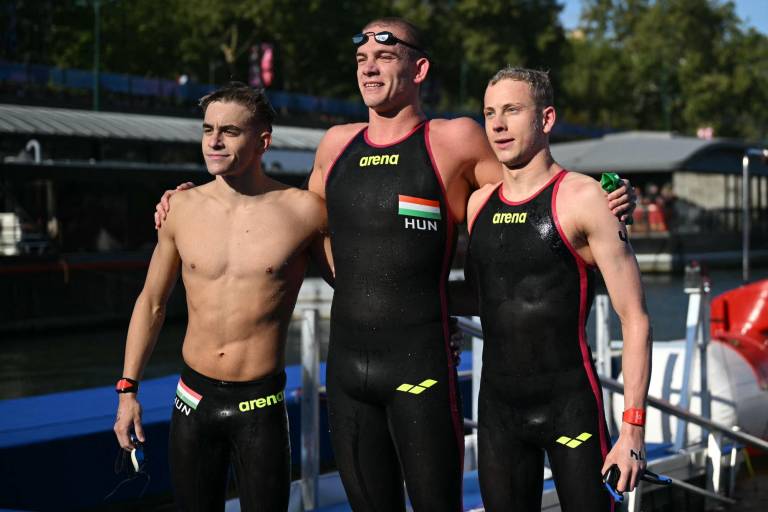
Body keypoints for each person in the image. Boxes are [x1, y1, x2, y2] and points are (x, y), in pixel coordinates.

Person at [155, 19, 635, 511]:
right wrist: (197, 199)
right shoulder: (336, 144)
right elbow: (288, 221)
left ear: (419, 68)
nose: (369, 66)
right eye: (361, 58)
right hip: (347, 371)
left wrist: (610, 198)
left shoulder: (454, 141)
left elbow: (532, 196)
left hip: (420, 365)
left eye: (384, 56)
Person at [113, 83, 329, 511]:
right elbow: (152, 302)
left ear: (262, 141)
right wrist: (127, 391)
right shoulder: (180, 208)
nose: (213, 141)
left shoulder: (304, 211)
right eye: (208, 129)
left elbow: (358, 288)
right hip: (192, 400)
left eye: (229, 131)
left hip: (260, 403)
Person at [465, 67, 651, 511]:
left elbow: (635, 318)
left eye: (512, 110)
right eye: (490, 112)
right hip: (497, 413)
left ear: (546, 119)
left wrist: (633, 431)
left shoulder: (586, 198)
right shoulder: (477, 204)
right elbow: (482, 294)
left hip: (570, 406)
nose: (498, 124)